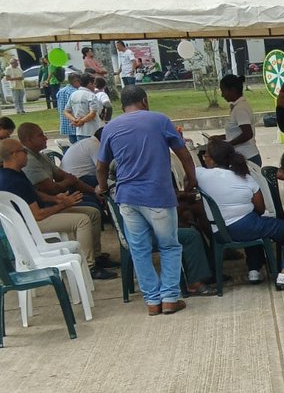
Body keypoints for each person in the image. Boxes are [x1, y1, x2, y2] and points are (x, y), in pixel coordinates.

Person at [96, 85, 197, 315]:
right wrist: (191, 178)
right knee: (169, 245)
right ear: (144, 100)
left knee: (139, 249)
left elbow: (101, 166)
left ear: (122, 106)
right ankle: (170, 298)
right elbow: (183, 153)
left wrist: (102, 188)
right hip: (157, 196)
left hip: (127, 199)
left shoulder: (111, 127)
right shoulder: (159, 120)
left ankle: (152, 302)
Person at [195, 139, 284, 290]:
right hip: (246, 226)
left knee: (254, 224)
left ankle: (254, 269)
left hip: (219, 232)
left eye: (206, 155)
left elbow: (188, 180)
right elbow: (260, 208)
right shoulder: (246, 177)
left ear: (212, 160)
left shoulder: (200, 175)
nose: (204, 158)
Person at [0, 137, 113, 279]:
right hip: (31, 225)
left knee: (93, 212)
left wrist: (55, 198)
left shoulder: (12, 173)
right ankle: (89, 267)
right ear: (14, 154)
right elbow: (38, 215)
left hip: (32, 218)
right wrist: (63, 205)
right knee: (82, 220)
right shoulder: (13, 181)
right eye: (23, 151)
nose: (26, 154)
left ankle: (97, 256)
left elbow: (35, 194)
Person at [18, 121, 103, 213]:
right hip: (45, 205)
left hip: (57, 196)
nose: (46, 138)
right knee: (92, 207)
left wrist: (95, 192)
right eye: (41, 135)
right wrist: (68, 181)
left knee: (93, 197)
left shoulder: (41, 156)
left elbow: (63, 177)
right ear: (29, 140)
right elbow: (52, 189)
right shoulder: (29, 160)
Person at [206, 73, 260, 165]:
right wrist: (221, 138)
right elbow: (237, 132)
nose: (222, 95)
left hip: (247, 157)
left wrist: (228, 145)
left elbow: (247, 134)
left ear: (232, 90)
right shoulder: (237, 107)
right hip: (244, 156)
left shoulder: (240, 109)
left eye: (224, 91)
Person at [68, 73, 101, 140]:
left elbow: (66, 111)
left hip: (79, 132)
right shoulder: (91, 95)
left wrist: (75, 120)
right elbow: (93, 114)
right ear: (89, 84)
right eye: (94, 83)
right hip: (92, 131)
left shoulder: (74, 94)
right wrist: (81, 121)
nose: (95, 86)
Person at [56, 71, 81, 144]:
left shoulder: (61, 91)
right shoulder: (74, 92)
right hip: (75, 121)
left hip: (65, 122)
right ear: (75, 81)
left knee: (73, 142)